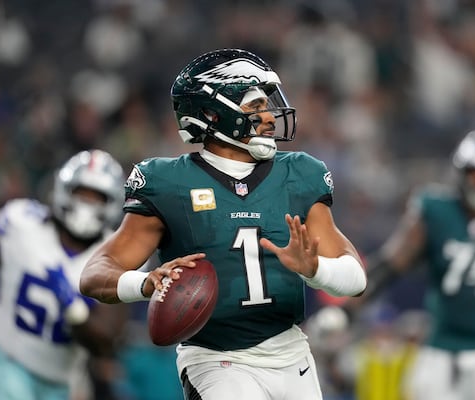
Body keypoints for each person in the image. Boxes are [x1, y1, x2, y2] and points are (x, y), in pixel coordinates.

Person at [79, 48, 367, 400]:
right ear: (212, 115)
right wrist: (145, 282)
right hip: (216, 359)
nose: (269, 117)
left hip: (291, 353)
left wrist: (315, 268)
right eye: (254, 107)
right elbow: (95, 273)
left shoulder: (299, 174)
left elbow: (355, 277)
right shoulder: (168, 183)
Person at [0, 149, 127, 400]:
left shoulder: (115, 256)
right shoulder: (24, 223)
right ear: (63, 190)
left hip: (59, 385)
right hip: (1, 361)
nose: (87, 204)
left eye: (97, 198)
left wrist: (73, 308)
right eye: (82, 193)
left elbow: (106, 343)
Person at [361, 127, 475, 400]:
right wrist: (346, 310)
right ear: (462, 174)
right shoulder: (436, 210)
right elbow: (390, 264)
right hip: (441, 346)